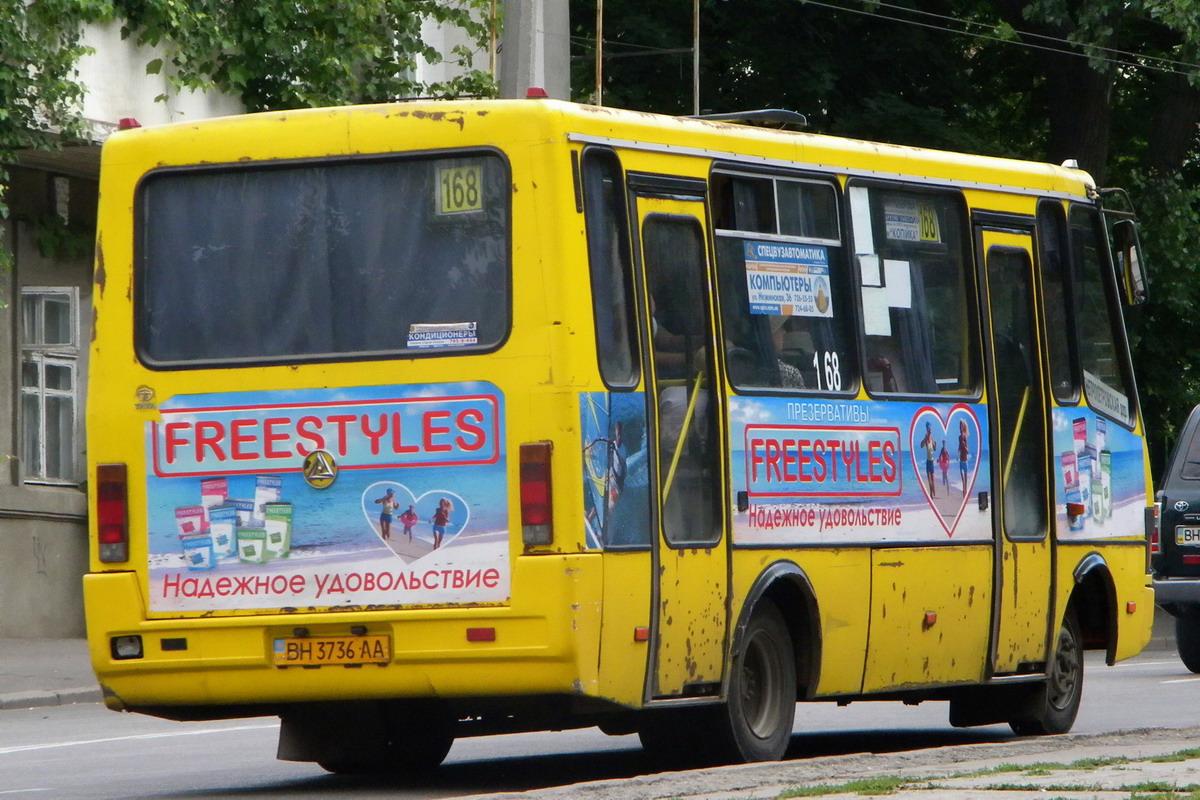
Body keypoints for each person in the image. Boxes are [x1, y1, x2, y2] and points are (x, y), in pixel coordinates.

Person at [920, 422, 938, 497]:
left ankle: (933, 493)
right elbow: (921, 445)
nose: (930, 429)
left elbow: (934, 449)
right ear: (927, 429)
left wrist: (935, 445)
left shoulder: (932, 438)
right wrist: (925, 438)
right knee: (929, 479)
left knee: (933, 480)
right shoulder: (926, 437)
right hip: (928, 461)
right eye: (929, 428)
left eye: (930, 428)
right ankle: (930, 494)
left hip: (932, 462)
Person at [958, 419, 971, 496]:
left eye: (961, 426)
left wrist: (964, 446)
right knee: (962, 475)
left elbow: (967, 450)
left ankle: (965, 490)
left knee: (965, 476)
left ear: (963, 428)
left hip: (965, 460)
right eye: (959, 427)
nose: (960, 428)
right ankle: (964, 489)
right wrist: (957, 454)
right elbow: (959, 447)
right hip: (961, 460)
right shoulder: (959, 437)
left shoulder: (965, 437)